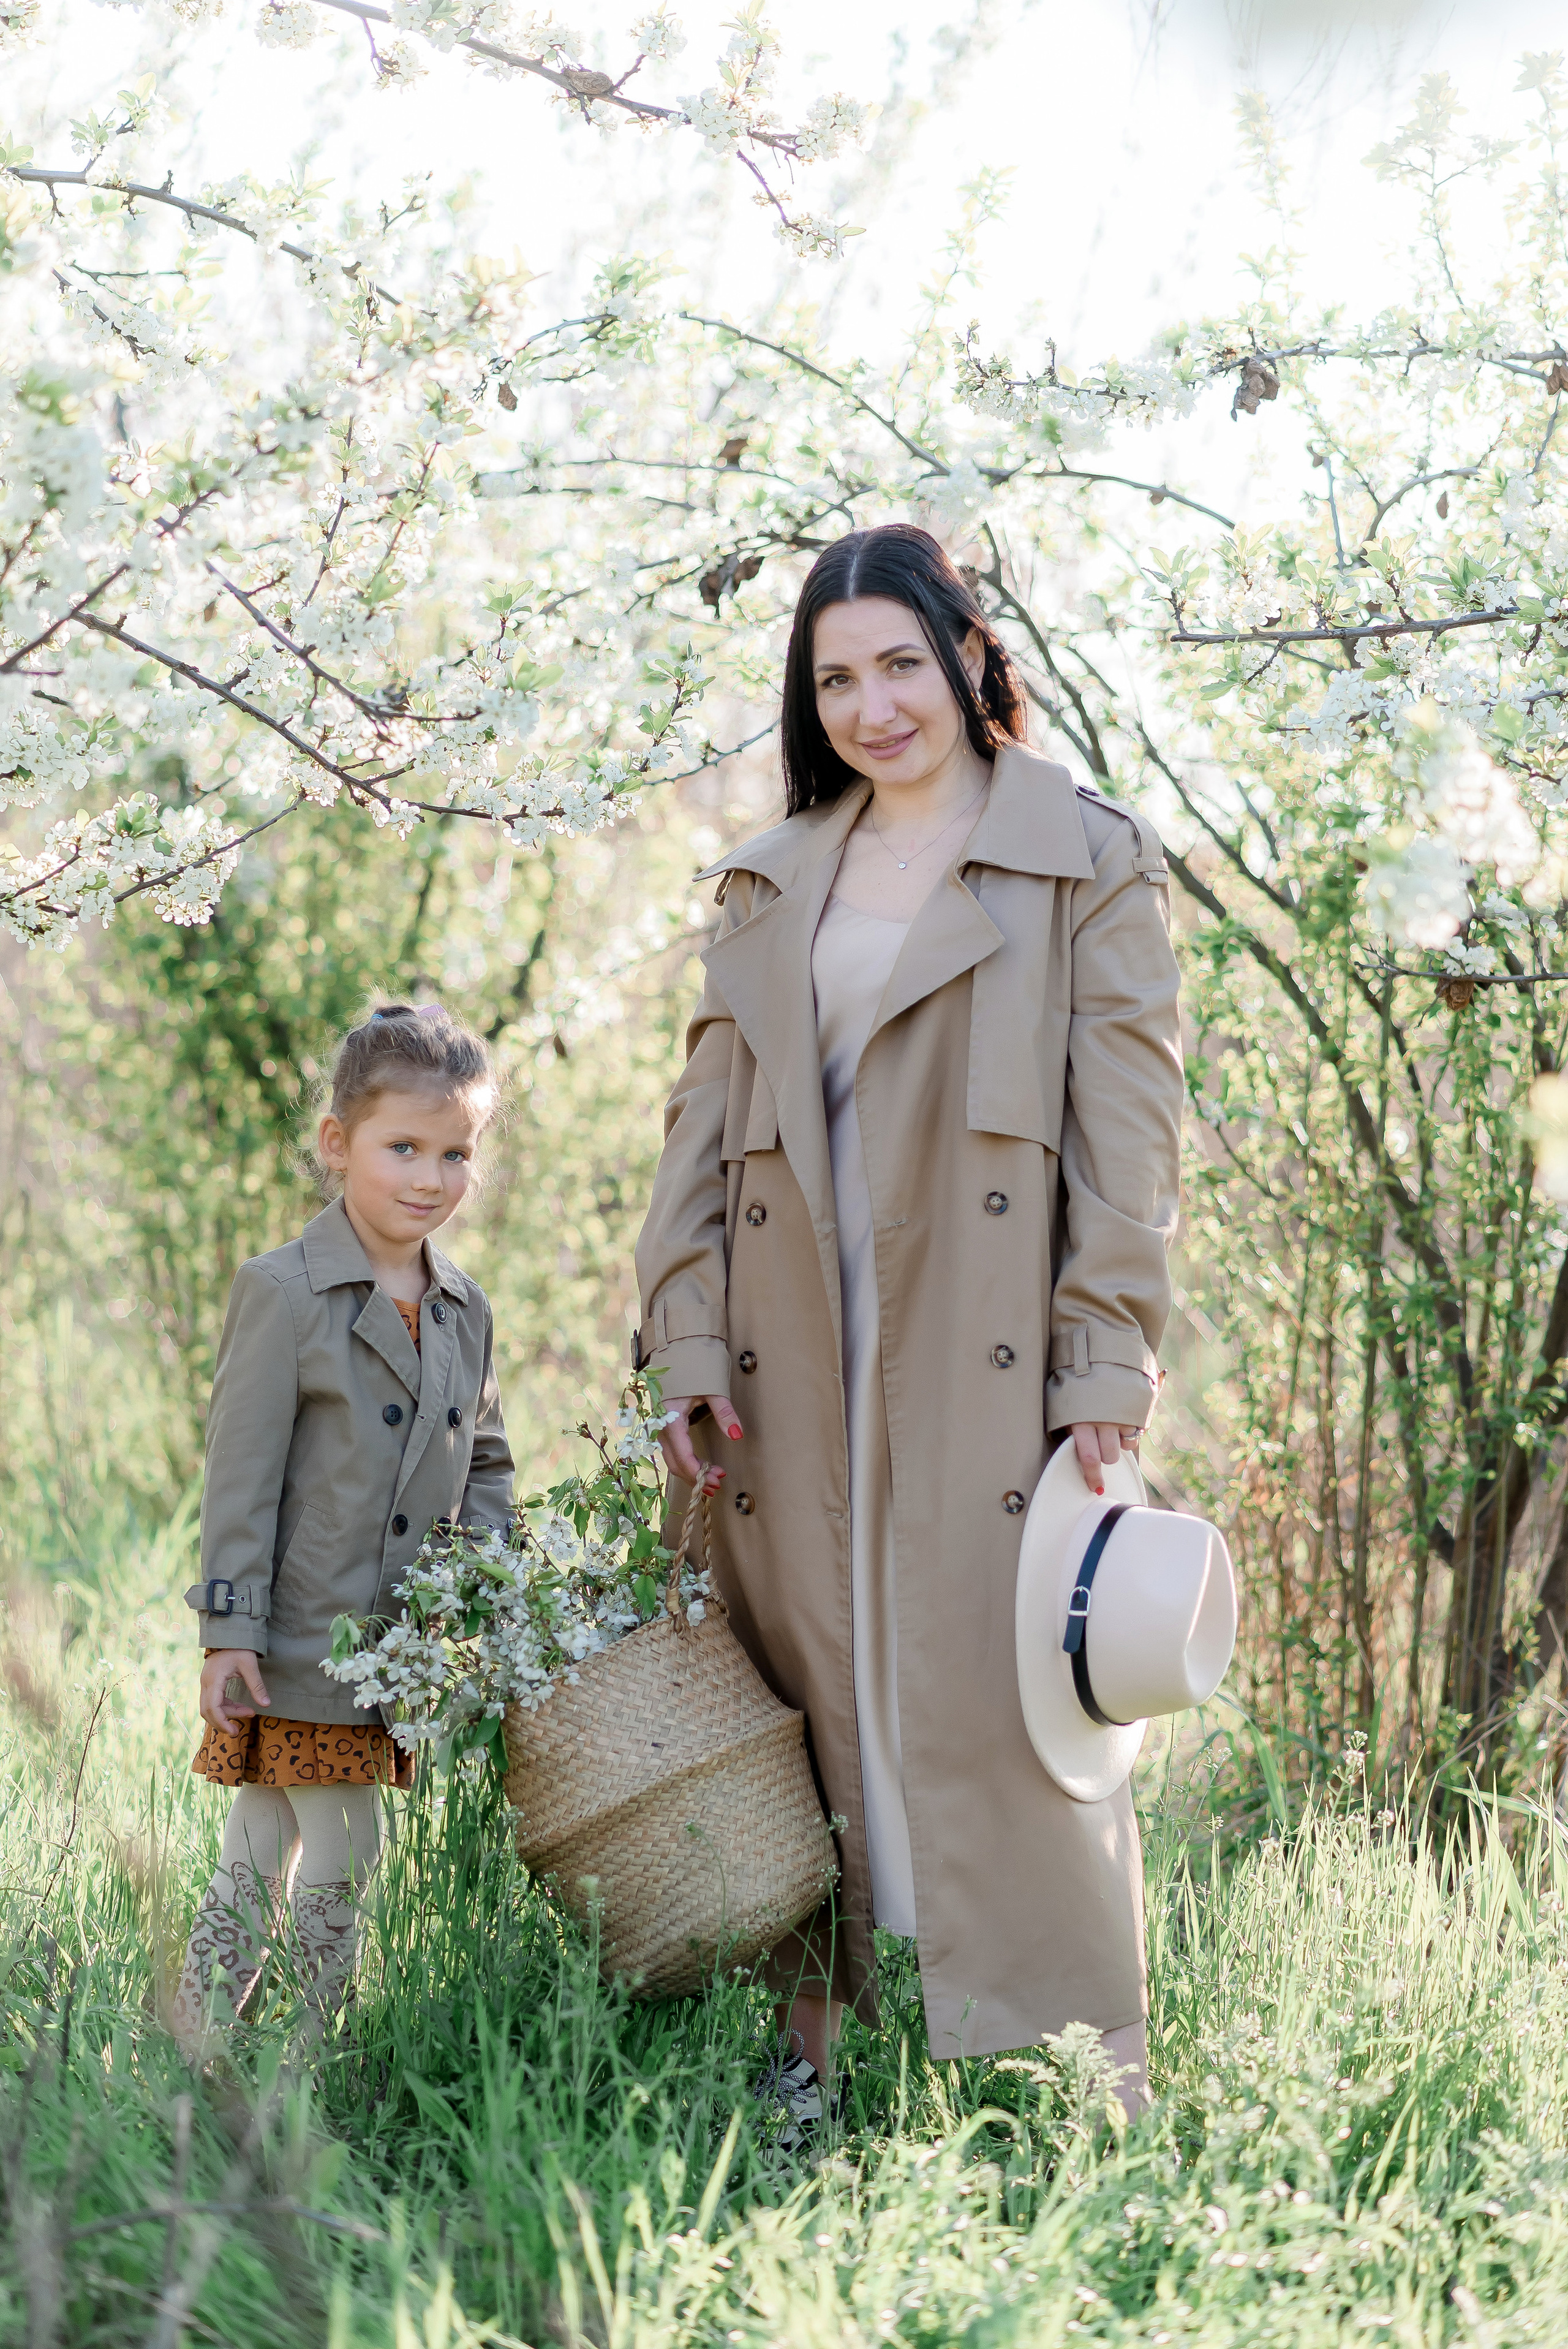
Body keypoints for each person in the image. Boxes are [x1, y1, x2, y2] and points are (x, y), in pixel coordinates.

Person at [634, 523, 1182, 2134]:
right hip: (789, 1338)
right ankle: (810, 2060)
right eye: (834, 677)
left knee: (1013, 1696)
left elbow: (1129, 1134)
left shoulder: (1088, 851)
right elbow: (697, 1129)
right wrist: (679, 1339)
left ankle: (1074, 2076)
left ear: (963, 651)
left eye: (897, 662)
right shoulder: (774, 871)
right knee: (801, 1681)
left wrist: (1105, 1346)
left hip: (985, 1337)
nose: (873, 704)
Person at [172, 1003, 514, 2058]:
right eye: (402, 1146)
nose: (430, 1177)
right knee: (344, 1838)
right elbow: (240, 1475)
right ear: (338, 1144)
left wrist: (487, 1583)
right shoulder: (283, 1291)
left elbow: (488, 1458)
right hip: (304, 1632)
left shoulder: (463, 1307)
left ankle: (196, 2044)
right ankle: (310, 2054)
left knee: (262, 1831)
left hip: (397, 1641)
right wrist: (228, 1628)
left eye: (455, 1153)